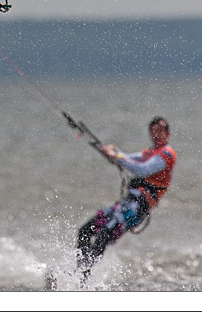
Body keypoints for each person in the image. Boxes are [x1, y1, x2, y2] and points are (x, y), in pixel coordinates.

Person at [76, 117, 176, 281]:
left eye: (160, 130)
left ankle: (83, 281)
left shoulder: (166, 154)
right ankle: (79, 271)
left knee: (103, 236)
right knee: (85, 231)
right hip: (124, 205)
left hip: (137, 208)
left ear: (168, 133)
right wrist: (112, 151)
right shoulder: (149, 152)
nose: (156, 134)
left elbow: (141, 170)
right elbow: (127, 157)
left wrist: (116, 156)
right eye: (153, 130)